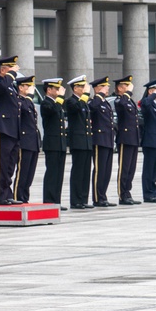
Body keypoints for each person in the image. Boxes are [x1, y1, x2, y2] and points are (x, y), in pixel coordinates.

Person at [0, 56, 22, 205]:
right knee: (1, 164)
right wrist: (10, 75)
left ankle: (7, 194)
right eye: (12, 68)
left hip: (13, 129)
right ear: (3, 69)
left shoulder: (10, 85)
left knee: (10, 164)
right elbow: (0, 88)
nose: (15, 71)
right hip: (2, 128)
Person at [65, 75, 93, 210]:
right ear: (75, 88)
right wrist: (86, 95)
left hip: (86, 141)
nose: (85, 89)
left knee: (86, 171)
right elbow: (76, 108)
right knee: (78, 171)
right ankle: (75, 200)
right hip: (78, 141)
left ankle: (83, 198)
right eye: (82, 87)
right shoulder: (71, 101)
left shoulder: (84, 102)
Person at [40, 77, 68, 209]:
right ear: (49, 90)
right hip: (52, 143)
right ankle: (49, 200)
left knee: (59, 174)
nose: (59, 91)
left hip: (60, 143)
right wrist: (60, 98)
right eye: (56, 88)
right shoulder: (46, 103)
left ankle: (56, 200)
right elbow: (53, 111)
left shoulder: (56, 103)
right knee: (52, 173)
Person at [88, 76, 116, 207]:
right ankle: (97, 197)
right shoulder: (94, 101)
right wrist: (99, 94)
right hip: (99, 140)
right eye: (105, 87)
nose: (107, 88)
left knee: (107, 170)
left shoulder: (104, 103)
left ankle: (103, 195)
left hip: (108, 140)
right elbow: (92, 108)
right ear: (97, 88)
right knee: (99, 170)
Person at [13, 75, 41, 203]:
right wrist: (29, 96)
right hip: (24, 142)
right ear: (21, 87)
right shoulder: (19, 100)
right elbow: (22, 109)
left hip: (32, 141)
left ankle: (25, 197)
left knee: (30, 173)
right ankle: (18, 196)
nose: (31, 89)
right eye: (28, 86)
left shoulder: (28, 102)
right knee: (22, 172)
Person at [113, 75, 140, 206]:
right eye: (126, 85)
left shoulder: (129, 101)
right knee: (124, 168)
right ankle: (122, 194)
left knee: (131, 168)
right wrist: (128, 93)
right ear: (119, 88)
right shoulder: (120, 100)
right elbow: (122, 105)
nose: (129, 88)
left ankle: (128, 192)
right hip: (124, 138)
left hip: (133, 137)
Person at [140, 79, 156, 203]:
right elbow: (145, 104)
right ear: (151, 91)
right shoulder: (147, 102)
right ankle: (148, 193)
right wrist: (153, 94)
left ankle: (154, 192)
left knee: (155, 169)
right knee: (149, 169)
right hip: (150, 141)